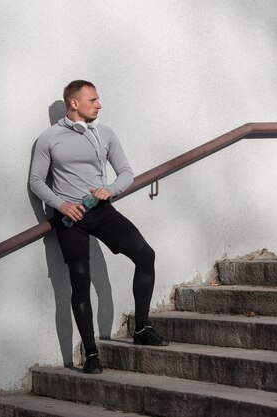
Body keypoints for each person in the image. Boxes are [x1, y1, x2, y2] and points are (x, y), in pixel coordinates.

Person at [29, 80, 168, 374]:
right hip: (70, 219)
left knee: (146, 256)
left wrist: (110, 189)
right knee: (80, 283)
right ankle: (91, 354)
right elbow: (36, 181)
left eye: (98, 99)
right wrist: (60, 204)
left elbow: (126, 172)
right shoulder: (48, 139)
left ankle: (142, 328)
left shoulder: (104, 134)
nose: (99, 104)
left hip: (102, 211)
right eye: (93, 99)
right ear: (74, 103)